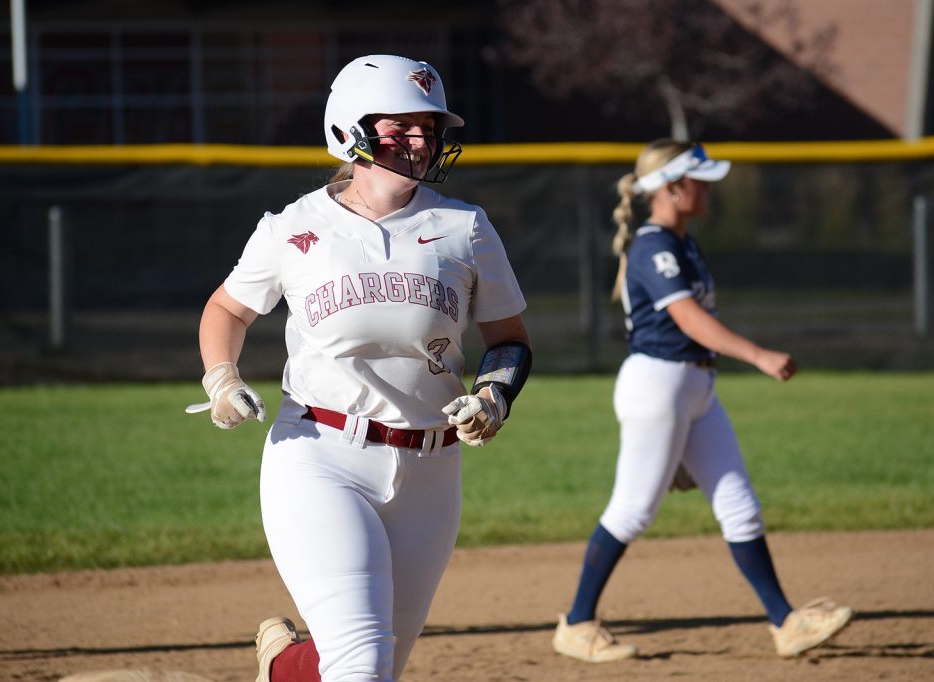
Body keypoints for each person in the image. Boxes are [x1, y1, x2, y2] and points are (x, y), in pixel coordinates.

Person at [193, 54, 531, 682]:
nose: (420, 139)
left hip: (431, 471)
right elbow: (226, 309)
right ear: (348, 126)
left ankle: (280, 668)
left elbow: (510, 340)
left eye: (429, 127)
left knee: (369, 665)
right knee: (361, 667)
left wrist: (493, 397)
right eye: (400, 125)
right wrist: (222, 377)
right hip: (321, 455)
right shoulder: (295, 226)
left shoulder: (465, 227)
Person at [551, 139, 852, 663]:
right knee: (632, 512)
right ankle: (577, 623)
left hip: (694, 390)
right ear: (671, 187)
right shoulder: (653, 246)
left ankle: (786, 622)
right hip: (659, 386)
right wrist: (758, 356)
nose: (709, 186)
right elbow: (689, 319)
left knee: (740, 506)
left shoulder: (682, 242)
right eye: (700, 178)